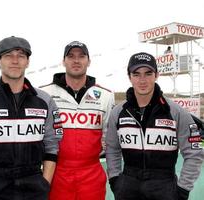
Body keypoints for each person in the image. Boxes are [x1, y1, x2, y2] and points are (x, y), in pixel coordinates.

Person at [0, 36, 63, 200]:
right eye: (8, 55)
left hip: (34, 190)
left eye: (21, 56)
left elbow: (52, 145)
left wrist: (45, 183)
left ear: (27, 62)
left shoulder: (45, 101)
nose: (15, 60)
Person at [106, 52, 204, 200]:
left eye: (148, 73)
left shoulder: (177, 112)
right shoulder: (118, 112)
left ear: (156, 75)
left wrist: (183, 189)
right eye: (136, 74)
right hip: (127, 187)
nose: (142, 80)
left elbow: (194, 153)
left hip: (165, 187)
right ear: (129, 77)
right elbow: (112, 148)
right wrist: (115, 180)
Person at [40, 41, 115, 200]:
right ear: (63, 61)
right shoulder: (44, 93)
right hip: (56, 172)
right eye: (71, 56)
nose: (76, 60)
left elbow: (110, 140)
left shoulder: (106, 96)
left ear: (89, 61)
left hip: (92, 174)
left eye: (81, 56)